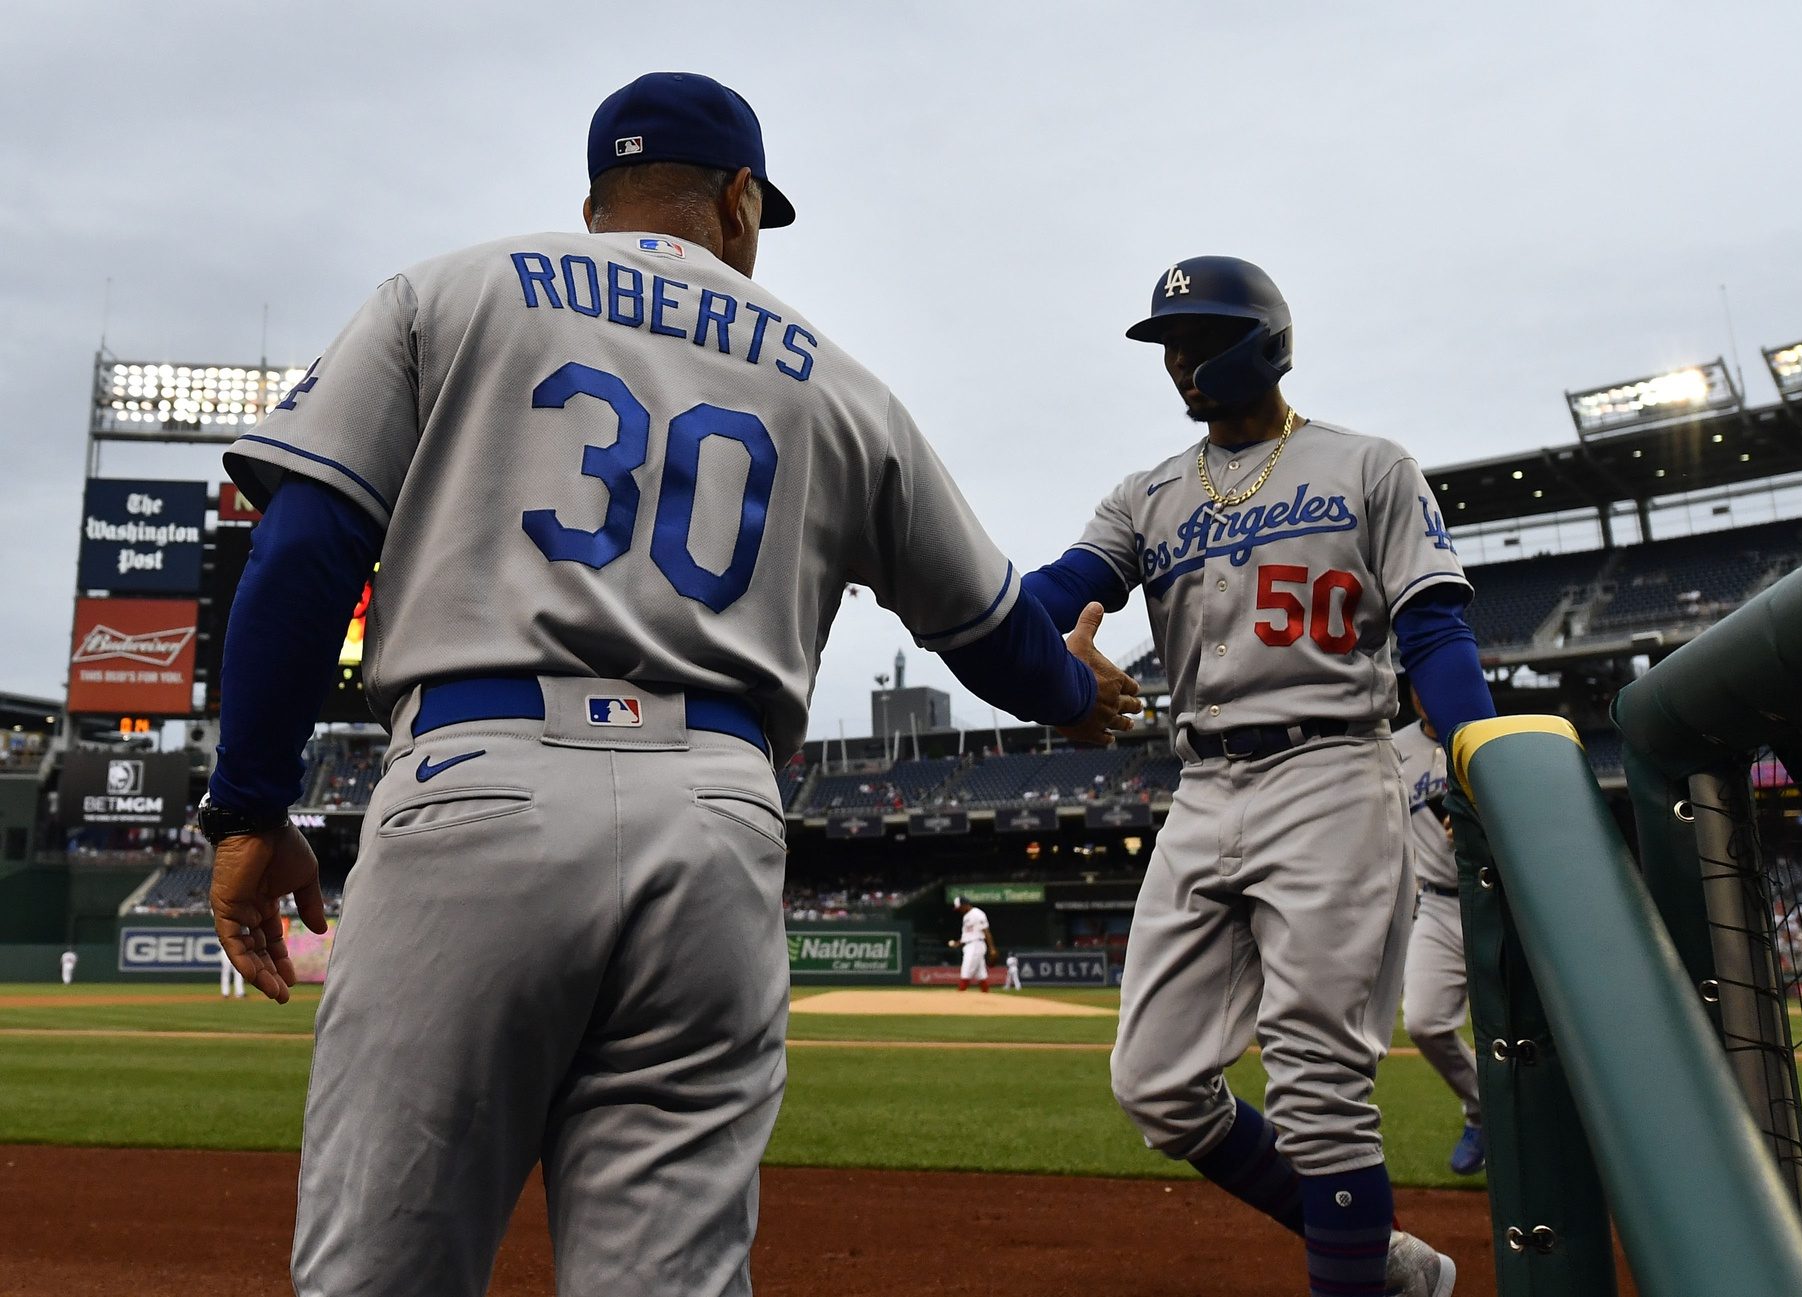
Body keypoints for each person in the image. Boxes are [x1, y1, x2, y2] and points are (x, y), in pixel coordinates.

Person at [199, 71, 1139, 1297]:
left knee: (380, 1270)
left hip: (479, 782)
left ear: (596, 197)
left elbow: (305, 547)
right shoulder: (837, 381)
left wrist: (251, 807)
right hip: (714, 814)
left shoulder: (452, 290)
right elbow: (994, 631)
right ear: (738, 197)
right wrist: (1076, 696)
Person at [1021, 256, 1496, 1297]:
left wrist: (1479, 757)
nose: (1180, 360)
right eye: (1167, 344)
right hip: (1201, 789)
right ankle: (1390, 1270)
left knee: (1320, 1085)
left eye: (1200, 336)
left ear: (1267, 341)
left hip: (1330, 770)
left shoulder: (1364, 464)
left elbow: (1432, 628)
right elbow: (1051, 594)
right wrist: (1006, 630)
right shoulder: (1146, 493)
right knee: (1155, 1087)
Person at [1393, 687, 1483, 1176]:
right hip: (1440, 906)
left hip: (1501, 901)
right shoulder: (1394, 748)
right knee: (1425, 1022)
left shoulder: (1486, 734)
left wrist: (1482, 820)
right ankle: (1481, 1110)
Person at [947, 895, 994, 992]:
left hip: (976, 945)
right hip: (970, 945)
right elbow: (967, 936)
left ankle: (958, 997)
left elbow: (986, 931)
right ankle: (987, 998)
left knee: (965, 973)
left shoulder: (977, 913)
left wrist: (992, 948)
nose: (959, 910)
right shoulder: (966, 917)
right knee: (981, 975)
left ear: (964, 905)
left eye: (959, 908)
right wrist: (958, 943)